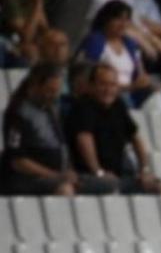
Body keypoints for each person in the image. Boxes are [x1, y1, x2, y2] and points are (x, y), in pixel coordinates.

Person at [2, 62, 114, 196]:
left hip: (58, 175)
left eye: (56, 91)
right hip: (27, 179)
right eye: (49, 90)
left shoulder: (51, 110)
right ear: (35, 86)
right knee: (65, 190)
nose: (54, 95)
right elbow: (18, 161)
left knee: (109, 184)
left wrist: (69, 172)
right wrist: (55, 176)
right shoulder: (18, 113)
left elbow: (62, 147)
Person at [66, 63, 161, 194]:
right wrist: (99, 172)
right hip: (89, 177)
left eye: (113, 85)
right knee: (111, 185)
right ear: (91, 86)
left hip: (120, 177)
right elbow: (84, 140)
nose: (108, 89)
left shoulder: (118, 105)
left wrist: (144, 170)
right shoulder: (82, 107)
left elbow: (136, 138)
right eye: (103, 84)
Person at [77, 0, 161, 109]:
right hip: (107, 92)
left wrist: (147, 83)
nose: (123, 24)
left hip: (133, 91)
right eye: (118, 19)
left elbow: (141, 75)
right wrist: (130, 87)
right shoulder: (95, 41)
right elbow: (88, 80)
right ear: (107, 19)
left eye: (126, 20)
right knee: (123, 98)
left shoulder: (130, 44)